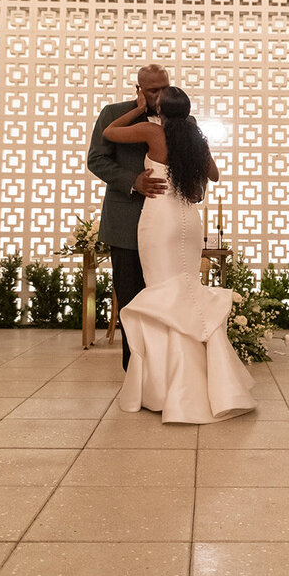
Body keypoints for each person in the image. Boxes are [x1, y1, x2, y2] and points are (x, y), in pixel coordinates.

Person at [101, 85, 256, 423]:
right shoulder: (195, 138)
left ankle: (168, 384)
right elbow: (213, 175)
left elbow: (109, 132)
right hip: (188, 221)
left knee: (162, 295)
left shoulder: (152, 130)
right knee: (187, 292)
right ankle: (205, 382)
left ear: (161, 108)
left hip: (159, 221)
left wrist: (137, 107)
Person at [87, 64, 172, 370]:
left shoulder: (181, 116)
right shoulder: (113, 114)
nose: (160, 95)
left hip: (167, 223)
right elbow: (96, 160)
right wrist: (133, 181)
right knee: (131, 298)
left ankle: (165, 366)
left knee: (165, 297)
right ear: (138, 89)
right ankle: (134, 367)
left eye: (165, 87)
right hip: (125, 222)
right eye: (153, 90)